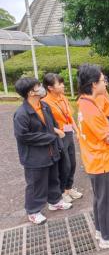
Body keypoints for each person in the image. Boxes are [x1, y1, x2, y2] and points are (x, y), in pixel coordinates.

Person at [77, 64, 109, 249]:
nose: (104, 82)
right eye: (102, 80)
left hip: (94, 160)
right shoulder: (90, 107)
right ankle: (108, 238)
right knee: (107, 199)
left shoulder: (85, 102)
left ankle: (102, 228)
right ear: (93, 84)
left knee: (100, 197)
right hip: (102, 161)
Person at [13, 77, 72, 225]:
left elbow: (52, 124)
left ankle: (55, 201)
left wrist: (56, 132)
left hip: (51, 152)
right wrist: (51, 136)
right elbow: (23, 136)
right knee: (36, 184)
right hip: (34, 157)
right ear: (31, 92)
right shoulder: (22, 113)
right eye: (38, 86)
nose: (41, 88)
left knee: (53, 178)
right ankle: (33, 211)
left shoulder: (44, 106)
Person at [42, 73, 83, 203]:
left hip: (68, 133)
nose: (63, 86)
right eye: (59, 84)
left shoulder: (63, 98)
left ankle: (69, 187)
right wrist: (58, 132)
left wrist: (77, 131)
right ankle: (62, 191)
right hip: (58, 137)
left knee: (73, 163)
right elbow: (45, 124)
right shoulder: (44, 103)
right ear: (50, 88)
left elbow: (69, 117)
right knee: (64, 165)